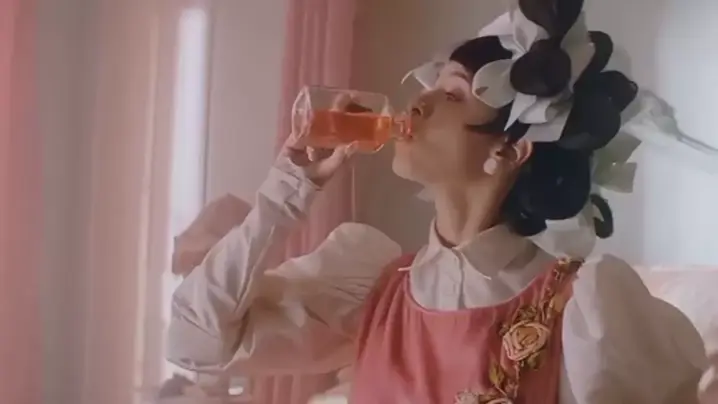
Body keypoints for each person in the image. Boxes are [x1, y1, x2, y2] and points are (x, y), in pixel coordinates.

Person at [166, 1, 708, 402]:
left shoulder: (584, 310)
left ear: (508, 150)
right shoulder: (371, 285)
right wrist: (286, 193)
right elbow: (194, 342)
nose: (418, 103)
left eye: (452, 94)